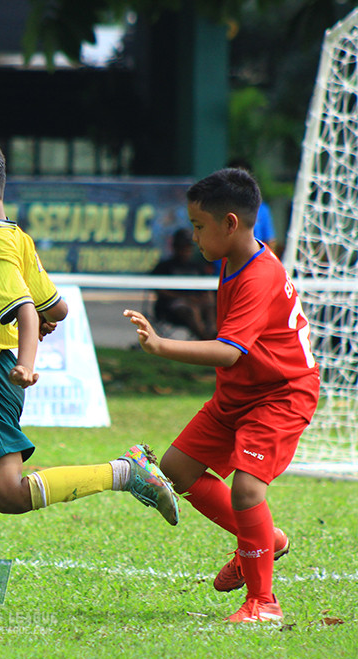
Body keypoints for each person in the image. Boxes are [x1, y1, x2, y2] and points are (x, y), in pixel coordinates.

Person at [0, 131, 179, 623]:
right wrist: (38, 321)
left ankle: (126, 472)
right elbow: (52, 304)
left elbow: (25, 311)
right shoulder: (13, 238)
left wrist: (27, 360)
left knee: (7, 495)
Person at [124, 167, 320, 623]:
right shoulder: (237, 259)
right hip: (240, 393)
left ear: (229, 223)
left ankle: (264, 603)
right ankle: (265, 541)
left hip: (280, 394)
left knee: (247, 490)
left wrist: (159, 345)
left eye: (198, 226)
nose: (192, 237)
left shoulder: (258, 275)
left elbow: (229, 352)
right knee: (176, 467)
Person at [151, 228, 217, 339]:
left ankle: (214, 334)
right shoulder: (164, 266)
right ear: (175, 247)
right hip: (171, 308)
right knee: (191, 310)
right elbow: (159, 290)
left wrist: (207, 298)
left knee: (210, 305)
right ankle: (206, 339)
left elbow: (207, 288)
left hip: (197, 302)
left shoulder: (197, 266)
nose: (186, 250)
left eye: (188, 247)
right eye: (183, 247)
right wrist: (185, 298)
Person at [227, 158, 277, 253]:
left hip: (252, 264)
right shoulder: (217, 207)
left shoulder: (261, 209)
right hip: (222, 266)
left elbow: (270, 241)